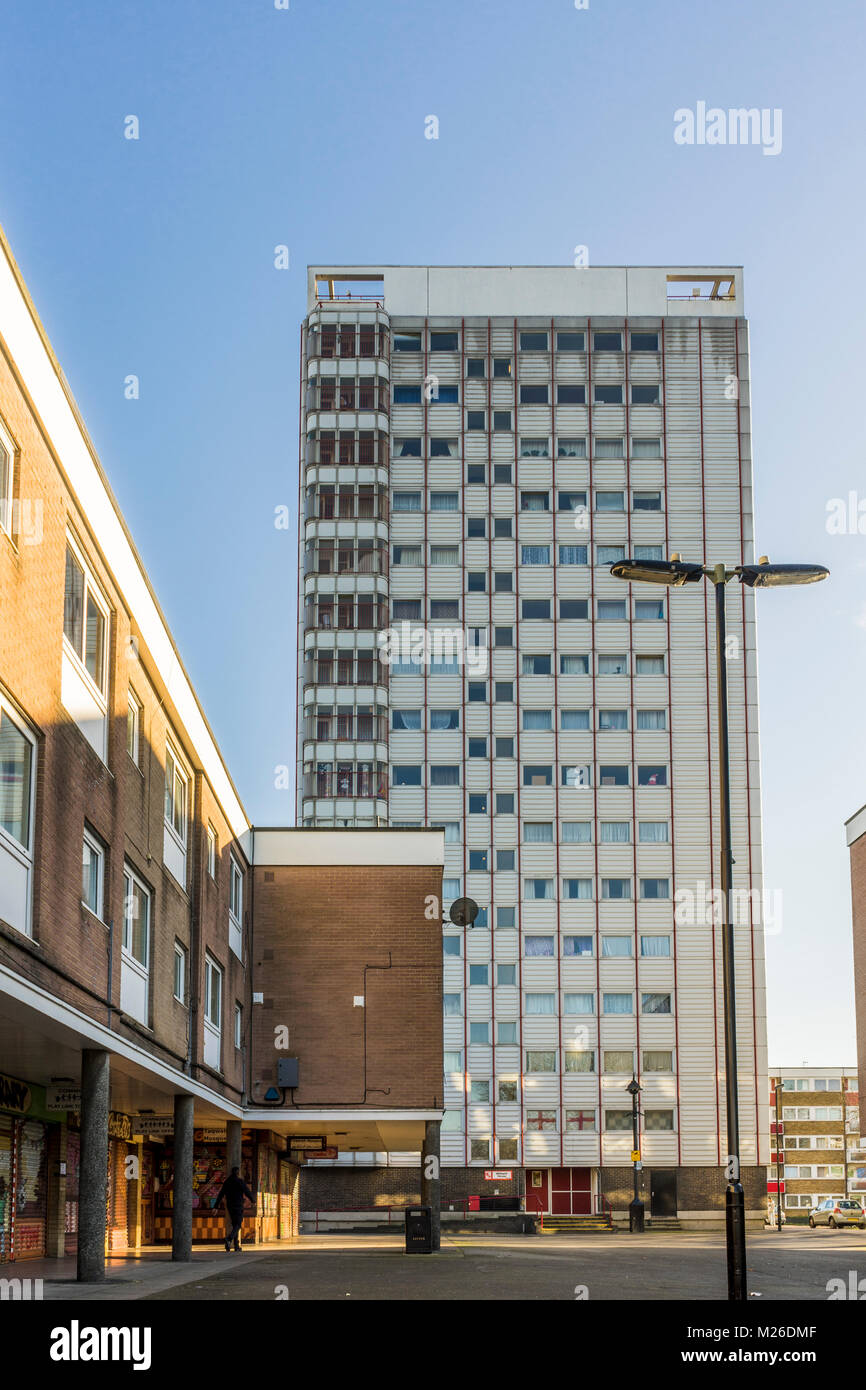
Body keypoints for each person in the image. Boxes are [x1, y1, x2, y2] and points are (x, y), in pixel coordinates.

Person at [213, 1165, 254, 1251]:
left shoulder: (227, 1182)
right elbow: (247, 1191)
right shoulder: (240, 1181)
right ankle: (229, 1239)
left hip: (230, 1206)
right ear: (238, 1173)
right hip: (238, 1205)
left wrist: (216, 1206)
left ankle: (236, 1246)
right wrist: (253, 1201)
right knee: (238, 1224)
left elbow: (221, 1194)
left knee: (235, 1224)